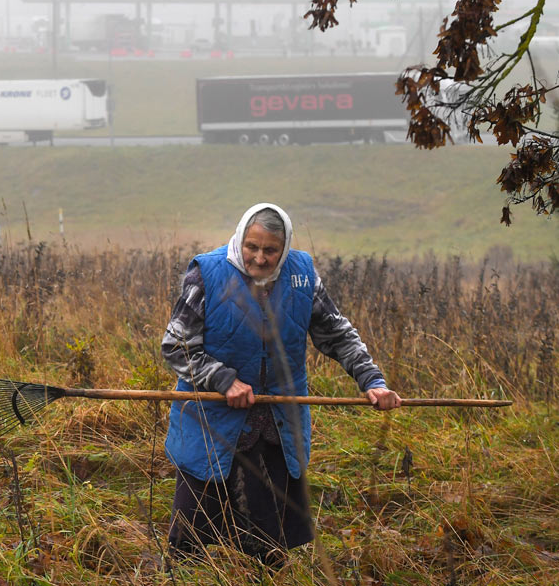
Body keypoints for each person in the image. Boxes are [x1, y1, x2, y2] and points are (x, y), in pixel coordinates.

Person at [161, 203, 401, 565]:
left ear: (284, 248)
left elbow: (337, 334)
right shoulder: (207, 273)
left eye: (270, 250)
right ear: (240, 238)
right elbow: (176, 347)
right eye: (252, 247)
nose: (259, 258)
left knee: (268, 542)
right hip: (211, 422)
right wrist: (224, 380)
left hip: (274, 422)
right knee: (193, 535)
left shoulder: (302, 275)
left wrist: (372, 381)